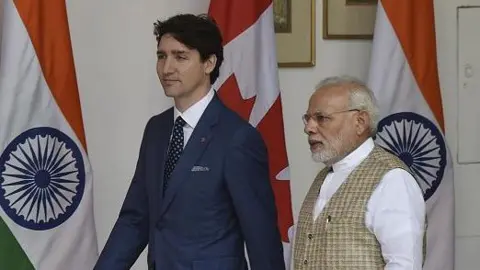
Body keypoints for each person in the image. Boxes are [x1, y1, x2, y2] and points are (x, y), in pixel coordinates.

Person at [94, 13, 285, 270]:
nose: (167, 68)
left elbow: (260, 235)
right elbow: (136, 218)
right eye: (162, 56)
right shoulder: (156, 129)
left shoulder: (238, 138)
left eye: (180, 56)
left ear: (209, 63)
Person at [291, 75, 426, 269]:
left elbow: (405, 265)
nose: (309, 128)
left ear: (360, 122)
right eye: (308, 118)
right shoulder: (323, 177)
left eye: (321, 118)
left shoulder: (392, 179)